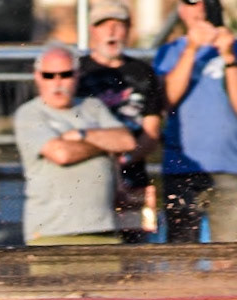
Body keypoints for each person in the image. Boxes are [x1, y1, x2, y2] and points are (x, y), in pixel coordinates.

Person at [156, 0, 237, 243]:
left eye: (207, 2)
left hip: (230, 167)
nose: (200, 9)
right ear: (181, 10)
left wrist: (228, 56)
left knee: (233, 264)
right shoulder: (169, 52)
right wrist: (191, 49)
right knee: (181, 261)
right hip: (180, 168)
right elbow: (166, 100)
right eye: (192, 3)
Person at [14, 45, 137, 245]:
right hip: (51, 233)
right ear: (37, 77)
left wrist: (81, 135)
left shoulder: (93, 106)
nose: (57, 82)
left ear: (77, 75)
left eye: (65, 74)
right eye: (49, 75)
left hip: (104, 229)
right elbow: (61, 154)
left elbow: (126, 141)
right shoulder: (30, 113)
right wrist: (104, 144)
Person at [78, 3, 165, 241]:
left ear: (129, 30)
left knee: (136, 257)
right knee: (89, 249)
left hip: (133, 178)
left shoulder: (143, 73)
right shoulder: (77, 73)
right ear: (92, 31)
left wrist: (124, 160)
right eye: (104, 25)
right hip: (87, 180)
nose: (112, 31)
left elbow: (151, 132)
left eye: (119, 25)